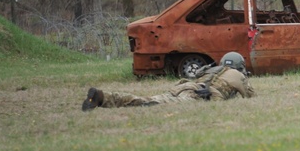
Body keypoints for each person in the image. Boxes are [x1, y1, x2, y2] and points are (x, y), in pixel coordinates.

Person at [82, 51, 256, 110]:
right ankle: (149, 107)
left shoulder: (214, 69)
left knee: (149, 99)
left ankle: (104, 97)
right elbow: (250, 97)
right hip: (197, 95)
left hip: (185, 87)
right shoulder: (237, 75)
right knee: (157, 105)